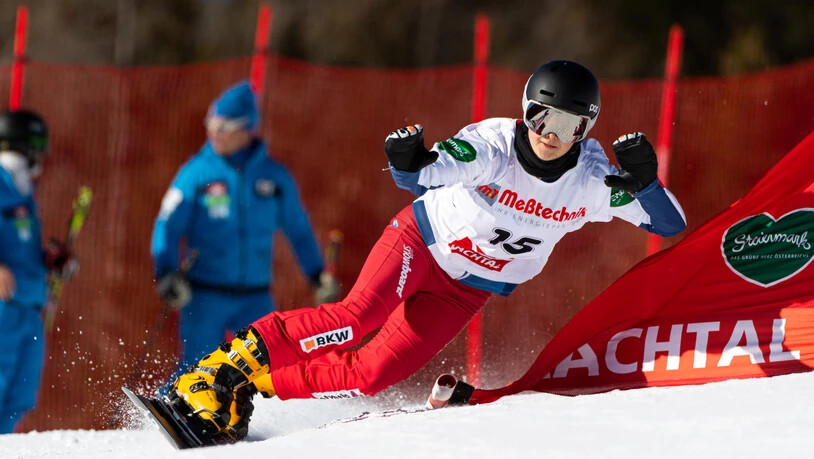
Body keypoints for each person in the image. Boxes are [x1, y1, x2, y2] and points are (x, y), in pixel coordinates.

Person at [159, 60, 687, 444]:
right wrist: (407, 159)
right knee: (354, 317)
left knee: (373, 374)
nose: (552, 135)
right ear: (525, 110)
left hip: (468, 290)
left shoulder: (591, 179)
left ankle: (255, 384)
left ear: (587, 129)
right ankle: (215, 372)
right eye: (542, 116)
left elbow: (671, 223)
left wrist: (645, 184)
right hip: (424, 244)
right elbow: (426, 174)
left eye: (572, 126)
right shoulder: (495, 146)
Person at [150, 80, 340, 374]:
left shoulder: (274, 178)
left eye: (224, 127)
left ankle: (267, 419)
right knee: (198, 370)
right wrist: (166, 271)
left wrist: (317, 276)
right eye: (211, 124)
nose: (214, 133)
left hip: (255, 297)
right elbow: (168, 225)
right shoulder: (196, 173)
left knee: (269, 369)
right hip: (205, 295)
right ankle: (176, 414)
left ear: (247, 127)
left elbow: (298, 230)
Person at [0, 108, 76, 433]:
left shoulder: (24, 190)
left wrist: (50, 259)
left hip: (30, 307)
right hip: (4, 308)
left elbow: (20, 247)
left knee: (19, 399)